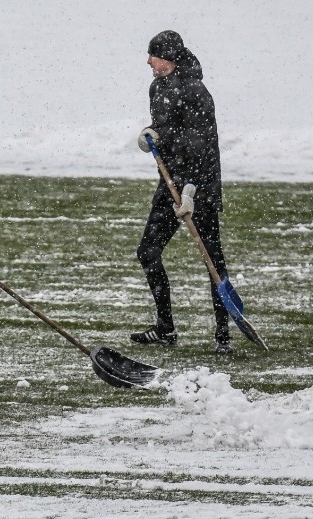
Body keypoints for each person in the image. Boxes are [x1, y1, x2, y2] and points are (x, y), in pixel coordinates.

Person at [132, 31, 233, 354]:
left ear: (169, 58)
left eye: (153, 56)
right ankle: (165, 328)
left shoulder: (195, 91)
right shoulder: (158, 86)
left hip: (199, 187)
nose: (148, 61)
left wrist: (190, 191)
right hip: (170, 183)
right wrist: (152, 133)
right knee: (148, 251)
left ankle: (223, 335)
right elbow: (169, 127)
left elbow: (201, 147)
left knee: (212, 260)